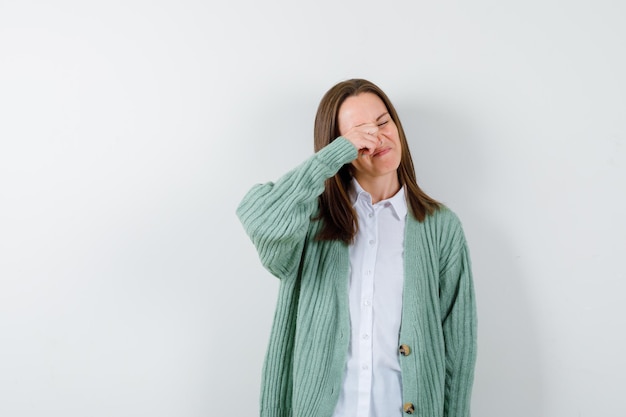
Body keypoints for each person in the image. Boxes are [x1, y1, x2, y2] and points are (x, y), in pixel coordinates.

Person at [236, 79, 477, 417]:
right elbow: (260, 217)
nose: (378, 137)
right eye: (360, 133)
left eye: (383, 122)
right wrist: (331, 158)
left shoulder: (441, 227)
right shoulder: (311, 222)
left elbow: (458, 349)